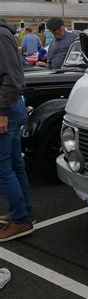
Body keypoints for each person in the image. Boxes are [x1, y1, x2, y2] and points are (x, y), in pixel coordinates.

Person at [0, 17, 34, 242]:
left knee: (2, 167)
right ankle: (23, 213)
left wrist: (1, 111)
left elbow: (12, 80)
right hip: (10, 107)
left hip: (6, 109)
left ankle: (21, 219)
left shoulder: (0, 36)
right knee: (14, 164)